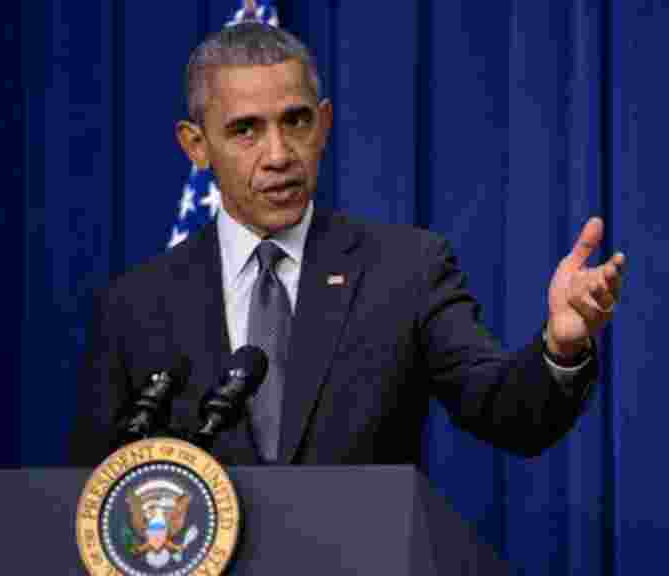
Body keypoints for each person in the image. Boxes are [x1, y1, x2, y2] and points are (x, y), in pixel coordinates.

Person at [69, 21, 626, 467]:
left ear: (326, 123)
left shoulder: (407, 271)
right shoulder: (135, 307)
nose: (279, 154)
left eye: (296, 121)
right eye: (246, 130)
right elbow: (96, 501)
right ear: (196, 144)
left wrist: (561, 346)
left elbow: (507, 414)